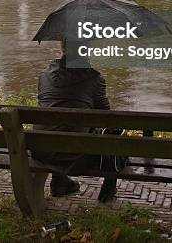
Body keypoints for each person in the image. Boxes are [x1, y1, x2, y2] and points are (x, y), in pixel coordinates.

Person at [32, 41, 117, 202]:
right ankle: (108, 190)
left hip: (42, 151)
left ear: (63, 47)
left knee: (57, 125)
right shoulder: (95, 79)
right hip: (76, 156)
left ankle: (59, 181)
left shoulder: (44, 76)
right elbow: (108, 120)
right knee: (113, 136)